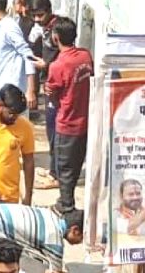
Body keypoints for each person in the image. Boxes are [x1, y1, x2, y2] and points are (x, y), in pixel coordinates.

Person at [45, 17, 93, 214]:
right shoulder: (85, 56)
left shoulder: (57, 65)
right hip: (86, 121)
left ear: (56, 38)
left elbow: (53, 95)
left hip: (67, 123)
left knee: (64, 167)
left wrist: (51, 93)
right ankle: (66, 201)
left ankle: (66, 207)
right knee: (75, 164)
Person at [0, 0, 36, 107]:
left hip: (13, 89)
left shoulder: (9, 27)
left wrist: (30, 90)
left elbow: (27, 54)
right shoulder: (2, 27)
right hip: (4, 86)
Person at [0, 204, 83, 268]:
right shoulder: (55, 242)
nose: (81, 242)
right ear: (75, 230)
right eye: (82, 237)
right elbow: (55, 270)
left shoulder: (49, 214)